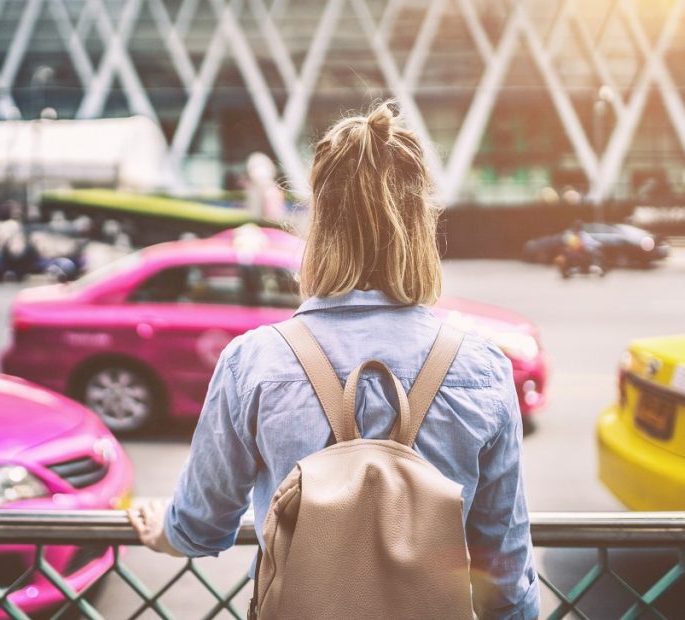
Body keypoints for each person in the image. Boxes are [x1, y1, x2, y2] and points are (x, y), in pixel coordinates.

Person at [128, 102, 540, 619]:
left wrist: (163, 529)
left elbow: (202, 526)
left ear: (319, 226)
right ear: (420, 229)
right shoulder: (481, 368)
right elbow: (505, 573)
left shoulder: (253, 362)